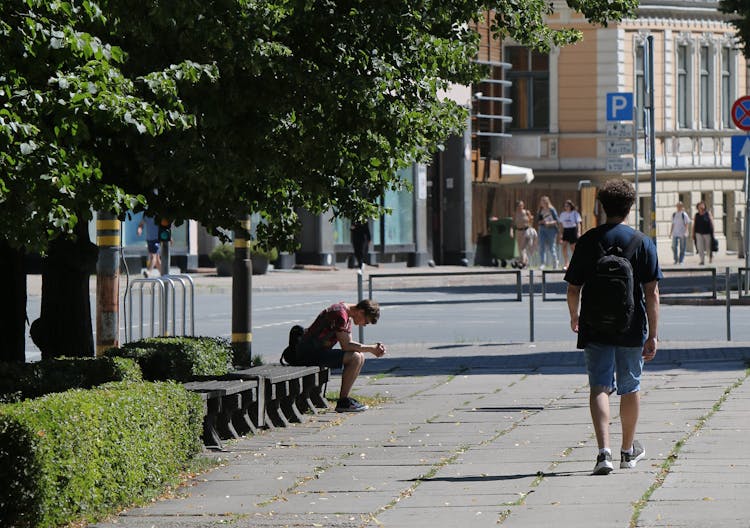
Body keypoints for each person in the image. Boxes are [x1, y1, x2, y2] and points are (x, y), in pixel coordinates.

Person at [564, 179, 662, 475]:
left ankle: (603, 452)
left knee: (600, 385)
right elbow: (652, 293)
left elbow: (573, 288)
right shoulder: (642, 242)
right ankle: (627, 452)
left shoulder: (588, 240)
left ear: (601, 207)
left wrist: (574, 316)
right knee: (630, 386)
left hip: (594, 325)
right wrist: (653, 334)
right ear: (630, 207)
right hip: (631, 326)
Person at [296, 299, 386, 412]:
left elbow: (350, 344)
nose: (364, 325)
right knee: (356, 357)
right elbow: (347, 346)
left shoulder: (345, 314)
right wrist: (371, 349)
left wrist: (372, 348)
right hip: (308, 353)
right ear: (361, 312)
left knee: (359, 356)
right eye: (366, 322)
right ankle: (343, 401)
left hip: (316, 352)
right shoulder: (340, 314)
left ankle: (344, 399)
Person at [536, 195, 560, 269]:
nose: (541, 203)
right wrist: (542, 221)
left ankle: (555, 261)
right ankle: (542, 263)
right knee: (541, 246)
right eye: (541, 201)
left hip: (551, 229)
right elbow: (538, 221)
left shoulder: (552, 209)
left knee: (551, 246)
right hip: (542, 229)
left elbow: (557, 220)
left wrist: (549, 223)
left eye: (543, 201)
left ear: (547, 202)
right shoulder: (540, 210)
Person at [559, 200, 582, 270]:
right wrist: (561, 234)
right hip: (566, 231)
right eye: (565, 206)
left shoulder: (575, 213)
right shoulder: (563, 214)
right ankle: (566, 263)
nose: (566, 207)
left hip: (573, 230)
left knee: (573, 248)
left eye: (568, 206)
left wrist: (579, 232)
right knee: (564, 246)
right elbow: (561, 225)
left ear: (571, 206)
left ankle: (576, 263)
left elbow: (578, 224)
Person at [512, 200, 534, 268]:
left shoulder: (526, 212)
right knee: (519, 248)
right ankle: (525, 263)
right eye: (519, 205)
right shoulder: (515, 213)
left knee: (522, 247)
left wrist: (530, 227)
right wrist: (511, 231)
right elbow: (513, 223)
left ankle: (523, 262)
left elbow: (531, 219)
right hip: (518, 231)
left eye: (521, 205)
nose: (520, 207)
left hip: (525, 231)